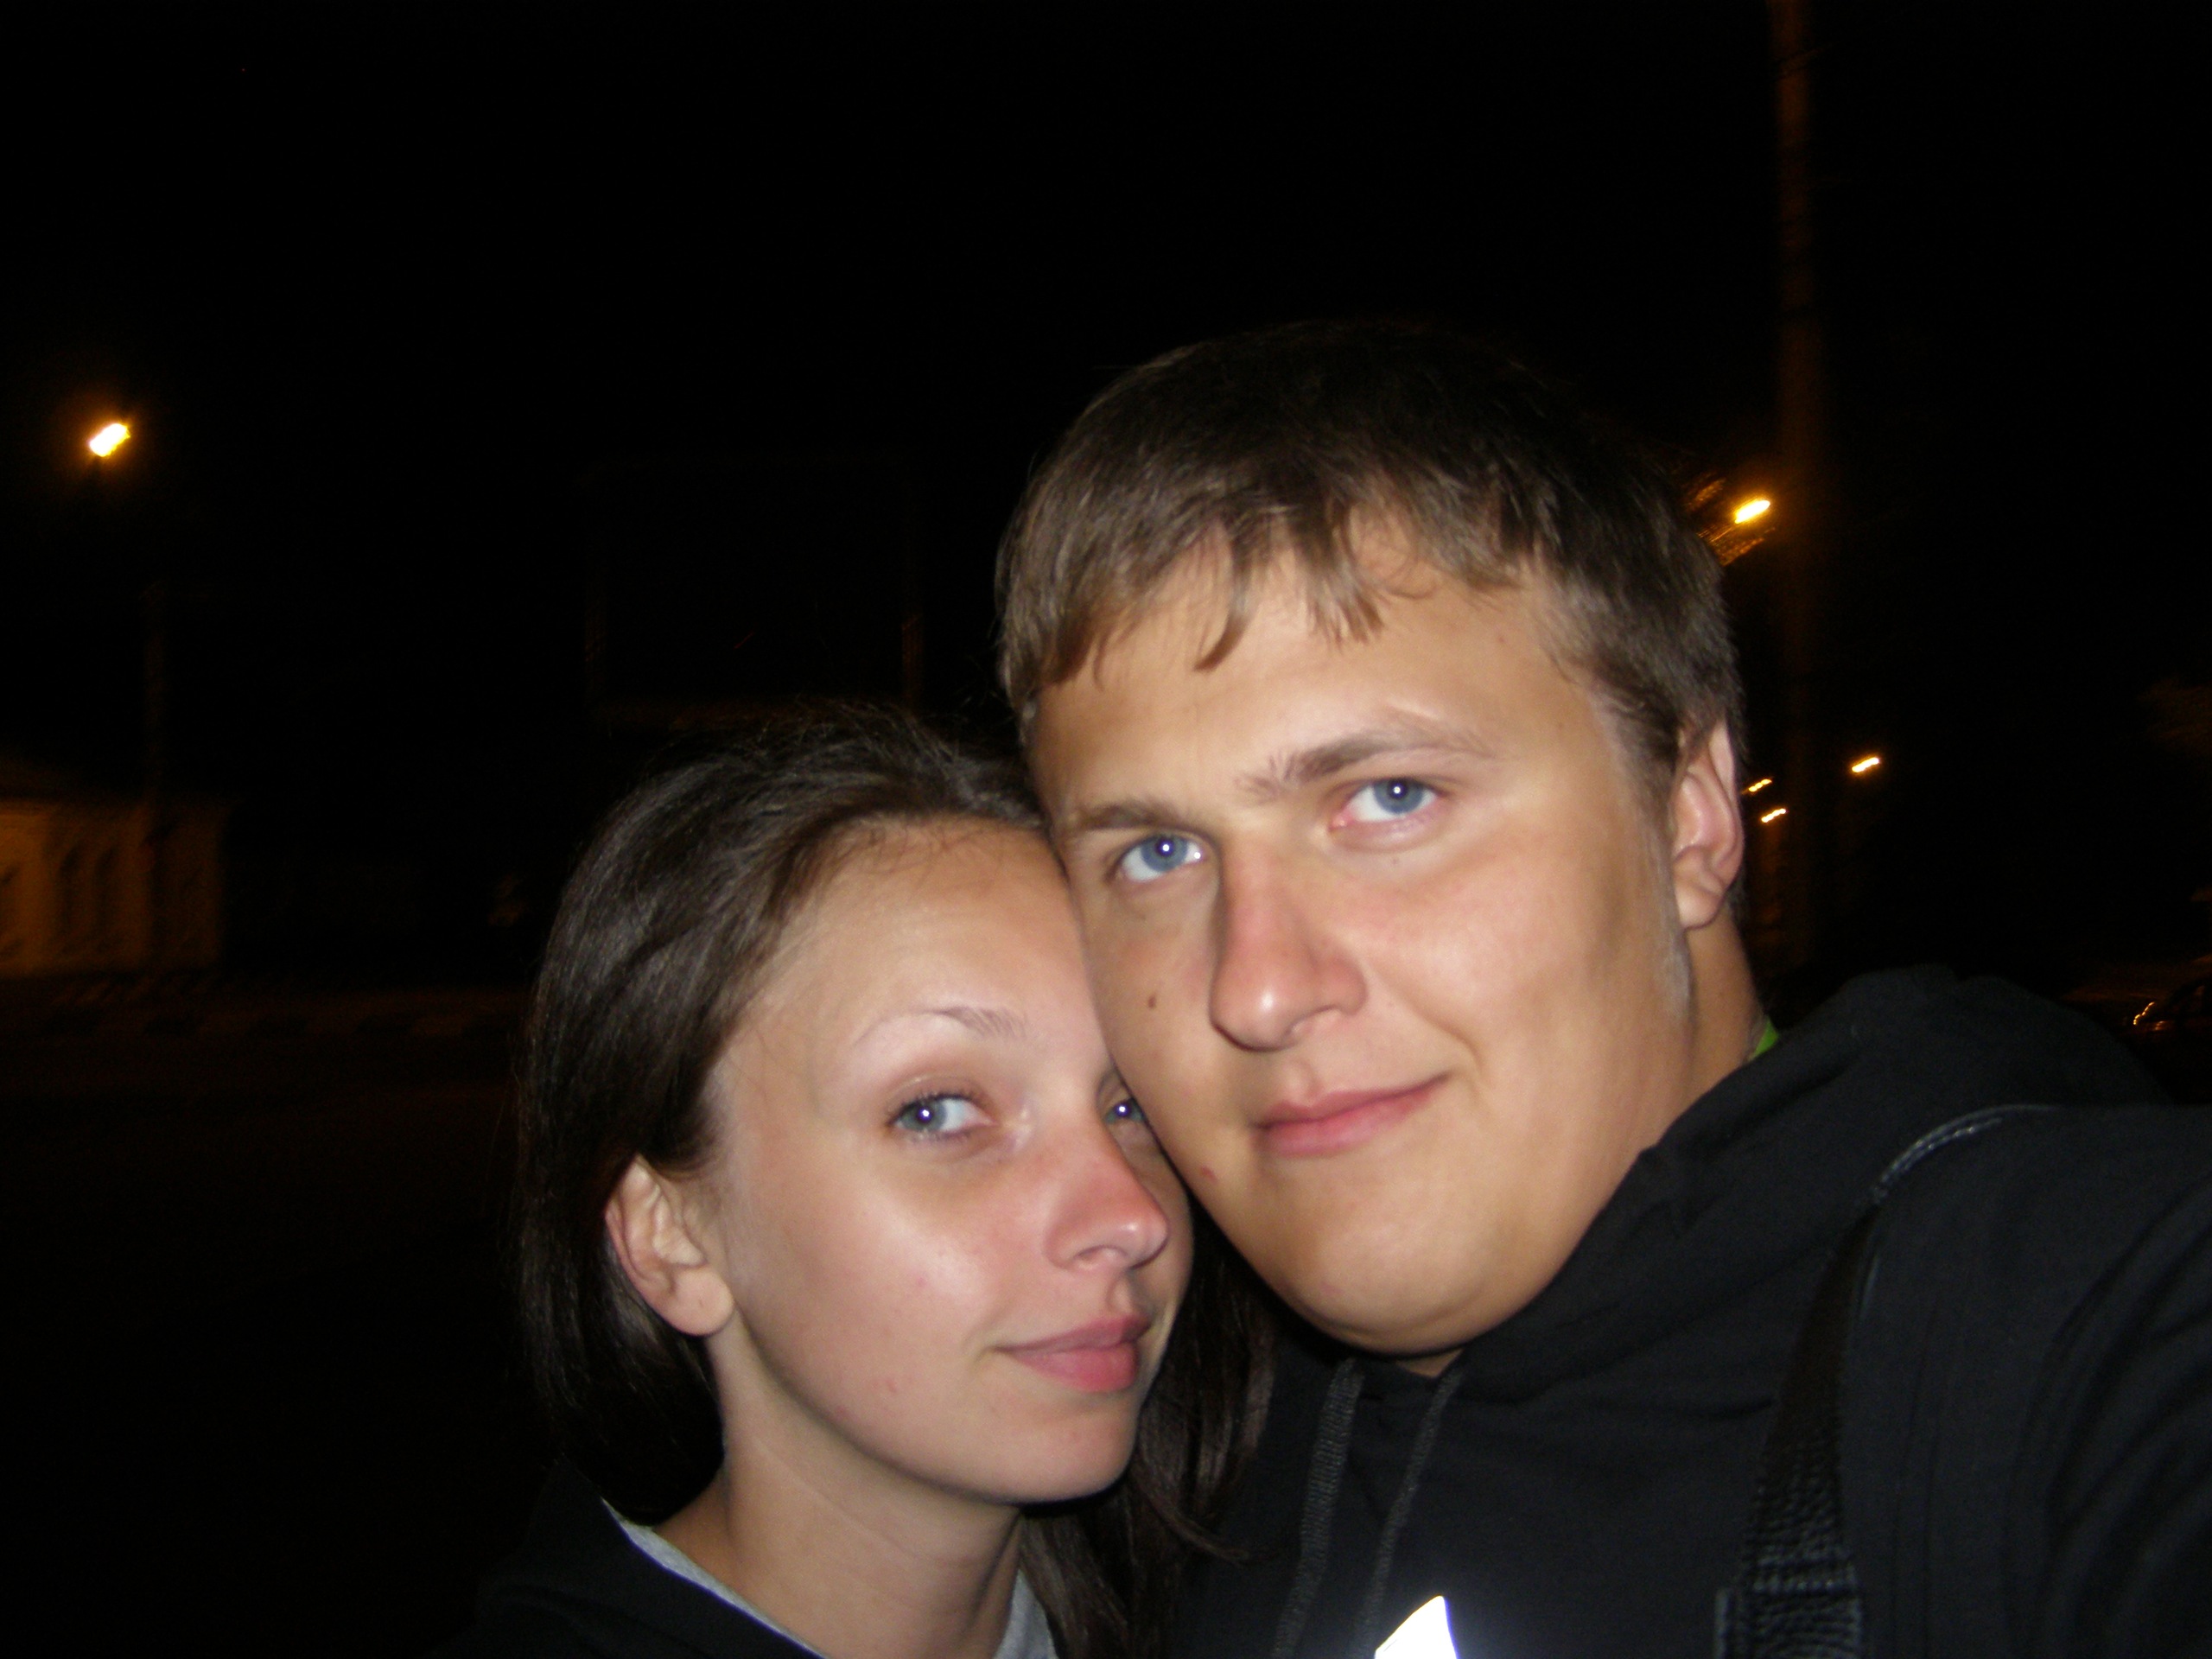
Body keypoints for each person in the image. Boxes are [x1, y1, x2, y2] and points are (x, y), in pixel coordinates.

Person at [997, 321, 2212, 1657]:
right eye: (1157, 854)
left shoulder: (2078, 1320)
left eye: (1391, 798)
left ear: (1690, 815)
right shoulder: (1155, 1455)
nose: (1260, 991)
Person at [442, 708, 1266, 1659]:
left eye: (1131, 1105)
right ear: (671, 1236)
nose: (1130, 1216)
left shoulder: (1251, 1604)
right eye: (937, 1112)